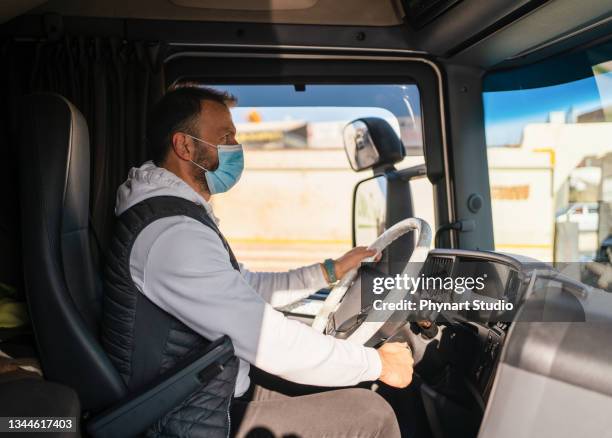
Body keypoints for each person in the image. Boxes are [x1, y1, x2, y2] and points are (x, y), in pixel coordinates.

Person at [106, 86, 413, 437]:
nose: (236, 148)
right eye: (226, 137)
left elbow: (246, 287)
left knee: (348, 389)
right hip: (187, 416)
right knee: (371, 412)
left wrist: (329, 271)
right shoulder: (172, 235)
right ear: (185, 146)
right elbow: (272, 342)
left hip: (212, 389)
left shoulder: (175, 215)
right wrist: (377, 363)